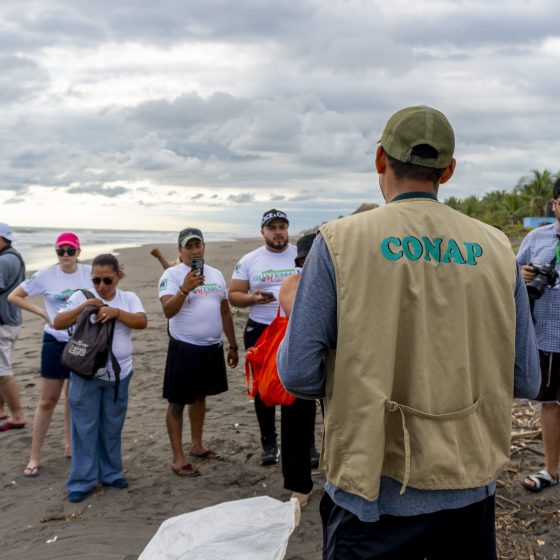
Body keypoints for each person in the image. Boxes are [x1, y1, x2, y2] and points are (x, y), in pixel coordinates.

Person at [278, 105, 540, 559]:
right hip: (469, 490)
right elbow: (526, 379)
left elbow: (299, 375)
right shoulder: (497, 247)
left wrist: (297, 314)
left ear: (380, 158)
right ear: (448, 170)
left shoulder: (338, 241)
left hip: (372, 496)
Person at [54, 254, 147, 503]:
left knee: (112, 426)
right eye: (96, 280)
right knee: (84, 428)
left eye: (107, 280)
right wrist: (84, 307)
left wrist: (115, 312)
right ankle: (81, 481)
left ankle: (111, 473)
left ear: (119, 276)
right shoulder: (80, 297)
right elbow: (58, 321)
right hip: (84, 374)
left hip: (119, 375)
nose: (102, 286)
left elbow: (141, 321)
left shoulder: (128, 298)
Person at [8, 233, 92, 476]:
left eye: (70, 250)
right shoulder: (46, 275)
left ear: (78, 252)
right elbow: (14, 296)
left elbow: (107, 289)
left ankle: (70, 445)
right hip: (54, 341)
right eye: (60, 250)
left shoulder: (89, 272)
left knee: (73, 397)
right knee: (47, 400)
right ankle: (34, 456)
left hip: (82, 342)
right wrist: (43, 313)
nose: (65, 255)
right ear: (56, 252)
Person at [159, 228, 239, 478]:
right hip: (184, 346)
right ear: (180, 250)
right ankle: (178, 458)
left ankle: (196, 445)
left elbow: (224, 311)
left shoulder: (215, 274)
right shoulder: (171, 275)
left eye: (198, 245)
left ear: (204, 247)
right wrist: (184, 289)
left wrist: (233, 345)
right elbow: (168, 311)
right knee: (177, 401)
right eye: (189, 246)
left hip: (211, 347)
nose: (194, 250)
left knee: (200, 397)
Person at [229, 210, 296, 465]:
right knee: (263, 387)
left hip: (294, 327)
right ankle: (269, 443)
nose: (278, 232)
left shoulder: (300, 255)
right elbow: (234, 294)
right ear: (263, 232)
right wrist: (252, 298)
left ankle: (303, 444)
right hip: (261, 328)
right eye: (272, 227)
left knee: (297, 384)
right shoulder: (249, 259)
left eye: (282, 227)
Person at [517, 176, 560, 492]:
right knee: (550, 404)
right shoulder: (536, 238)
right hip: (546, 336)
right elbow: (511, 276)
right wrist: (522, 275)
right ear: (555, 205)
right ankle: (551, 470)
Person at [277, 233, 319, 507]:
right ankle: (299, 484)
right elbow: (296, 311)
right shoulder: (293, 282)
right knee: (296, 421)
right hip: (304, 358)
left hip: (339, 358)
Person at [0, 223, 26, 432]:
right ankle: (1, 410)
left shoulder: (3, 260)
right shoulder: (16, 256)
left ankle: (17, 415)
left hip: (3, 321)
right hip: (12, 318)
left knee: (2, 370)